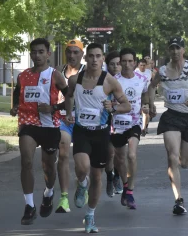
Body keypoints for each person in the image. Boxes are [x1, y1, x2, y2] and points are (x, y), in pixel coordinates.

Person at [64, 43, 131, 233]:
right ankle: (81, 184)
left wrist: (114, 108)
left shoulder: (109, 82)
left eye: (98, 56)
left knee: (96, 176)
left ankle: (90, 215)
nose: (94, 60)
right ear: (85, 59)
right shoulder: (75, 80)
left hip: (101, 133)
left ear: (103, 59)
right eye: (91, 56)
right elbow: (68, 97)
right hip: (81, 131)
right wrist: (69, 112)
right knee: (82, 167)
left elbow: (126, 105)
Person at [149, 36, 188, 215]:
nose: (175, 51)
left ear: (183, 50)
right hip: (171, 117)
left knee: (184, 162)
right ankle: (178, 200)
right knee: (172, 157)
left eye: (178, 48)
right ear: (169, 51)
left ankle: (177, 162)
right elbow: (151, 87)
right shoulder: (162, 71)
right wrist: (151, 103)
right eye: (172, 48)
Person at [10, 38, 69, 225]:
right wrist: (16, 106)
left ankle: (49, 192)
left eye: (41, 52)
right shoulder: (23, 75)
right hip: (28, 123)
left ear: (48, 54)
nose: (37, 55)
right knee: (26, 160)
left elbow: (69, 98)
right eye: (34, 52)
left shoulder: (55, 75)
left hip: (50, 125)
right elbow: (17, 92)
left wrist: (53, 108)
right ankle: (29, 206)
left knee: (48, 166)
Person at [110, 48, 149, 210]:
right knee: (119, 159)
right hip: (117, 124)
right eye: (123, 61)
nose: (126, 64)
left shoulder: (141, 79)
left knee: (131, 155)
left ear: (134, 62)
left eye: (129, 61)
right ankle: (125, 185)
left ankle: (131, 191)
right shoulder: (113, 80)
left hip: (134, 123)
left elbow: (145, 95)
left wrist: (146, 107)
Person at [53, 39, 86, 213]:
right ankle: (64, 198)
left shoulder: (88, 72)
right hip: (63, 118)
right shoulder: (57, 71)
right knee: (63, 153)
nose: (72, 55)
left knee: (83, 166)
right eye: (69, 52)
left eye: (75, 52)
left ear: (82, 55)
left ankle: (82, 183)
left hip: (83, 121)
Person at [104, 51, 124, 197]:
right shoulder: (103, 79)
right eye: (112, 64)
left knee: (120, 155)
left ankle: (117, 176)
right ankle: (109, 177)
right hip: (106, 120)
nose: (116, 67)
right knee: (109, 154)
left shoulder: (126, 79)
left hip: (123, 120)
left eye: (118, 64)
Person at [135, 59, 152, 136]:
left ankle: (144, 128)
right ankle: (139, 126)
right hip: (137, 93)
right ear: (138, 65)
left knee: (146, 111)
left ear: (146, 65)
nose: (142, 67)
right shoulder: (135, 72)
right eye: (141, 65)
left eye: (144, 65)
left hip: (146, 93)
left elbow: (154, 80)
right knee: (138, 112)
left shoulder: (149, 72)